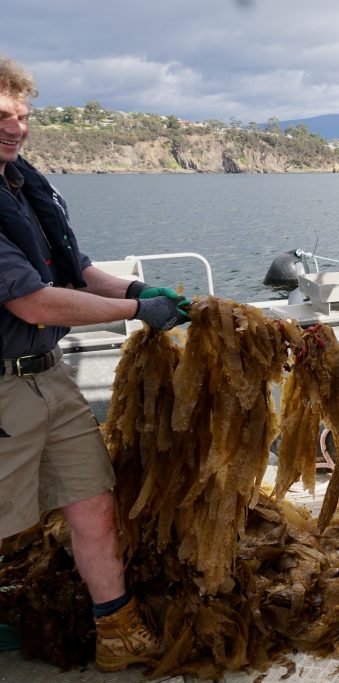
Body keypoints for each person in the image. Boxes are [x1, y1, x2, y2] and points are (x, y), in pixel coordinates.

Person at [0, 55, 189, 671]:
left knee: (94, 503)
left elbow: (75, 272)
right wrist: (133, 314)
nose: (16, 128)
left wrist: (141, 291)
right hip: (2, 389)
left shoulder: (21, 183)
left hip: (50, 376)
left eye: (23, 115)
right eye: (2, 116)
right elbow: (31, 300)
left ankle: (119, 629)